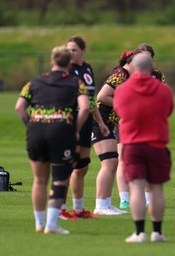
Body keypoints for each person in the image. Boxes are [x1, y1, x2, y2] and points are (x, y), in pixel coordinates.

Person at [15, 45, 90, 234]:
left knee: (39, 180)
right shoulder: (76, 83)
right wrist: (75, 130)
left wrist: (30, 125)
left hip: (36, 130)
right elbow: (85, 108)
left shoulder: (33, 82)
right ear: (68, 63)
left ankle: (39, 223)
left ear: (51, 62)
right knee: (59, 180)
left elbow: (19, 107)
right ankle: (51, 225)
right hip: (61, 131)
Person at [113, 52, 174, 243]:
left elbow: (119, 110)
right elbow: (169, 111)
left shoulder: (122, 90)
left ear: (133, 67)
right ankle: (157, 232)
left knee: (137, 188)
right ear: (151, 67)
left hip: (132, 144)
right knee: (156, 190)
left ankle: (139, 233)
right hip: (157, 144)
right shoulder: (164, 90)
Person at [58, 36, 109, 220]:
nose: (69, 53)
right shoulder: (65, 70)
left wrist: (101, 123)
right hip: (71, 121)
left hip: (87, 121)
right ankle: (61, 209)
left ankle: (78, 210)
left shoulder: (87, 68)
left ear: (82, 51)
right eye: (68, 49)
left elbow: (91, 98)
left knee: (81, 168)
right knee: (67, 166)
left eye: (73, 50)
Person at [116, 43, 167, 209]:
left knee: (147, 165)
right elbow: (113, 99)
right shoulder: (127, 74)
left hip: (151, 127)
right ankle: (124, 198)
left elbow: (166, 101)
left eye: (148, 57)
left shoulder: (158, 76)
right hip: (128, 125)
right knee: (123, 161)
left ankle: (146, 199)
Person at [92, 49, 135, 215]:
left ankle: (106, 204)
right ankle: (101, 205)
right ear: (129, 63)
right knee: (109, 163)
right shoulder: (120, 75)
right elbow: (102, 96)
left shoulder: (127, 76)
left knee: (112, 162)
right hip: (99, 122)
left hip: (107, 124)